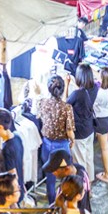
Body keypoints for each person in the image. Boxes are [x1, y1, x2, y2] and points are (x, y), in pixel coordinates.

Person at [38, 75, 75, 204]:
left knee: (50, 177)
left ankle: (52, 205)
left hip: (47, 145)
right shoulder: (67, 108)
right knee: (67, 175)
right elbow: (70, 130)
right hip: (62, 146)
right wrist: (73, 140)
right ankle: (67, 202)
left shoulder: (42, 103)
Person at [67, 64, 98, 176]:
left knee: (79, 163)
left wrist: (67, 85)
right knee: (89, 158)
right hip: (90, 129)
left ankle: (82, 188)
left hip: (79, 132)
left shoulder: (77, 93)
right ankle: (89, 182)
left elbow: (66, 105)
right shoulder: (95, 88)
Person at [0, 109, 25, 199]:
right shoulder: (17, 137)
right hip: (19, 187)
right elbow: (22, 164)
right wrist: (22, 185)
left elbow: (12, 173)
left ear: (0, 127)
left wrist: (13, 195)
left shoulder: (7, 148)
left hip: (12, 192)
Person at [42, 150, 92, 214]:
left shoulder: (74, 186)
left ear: (67, 169)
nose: (53, 173)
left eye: (55, 170)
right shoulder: (80, 168)